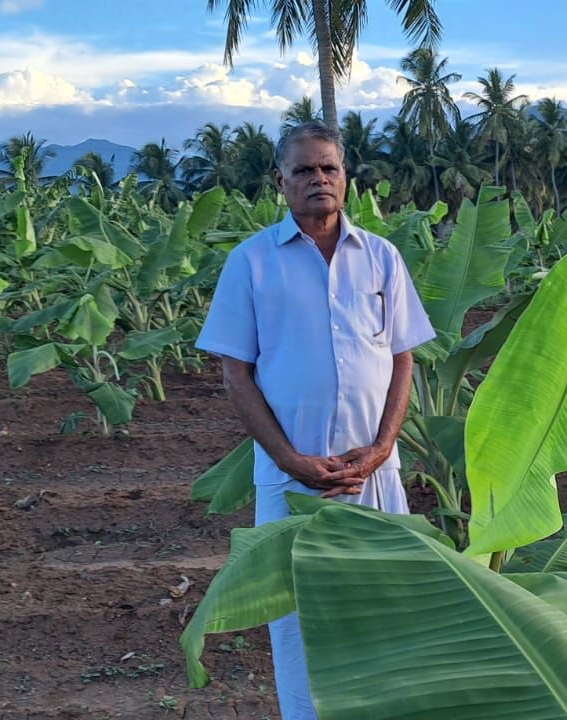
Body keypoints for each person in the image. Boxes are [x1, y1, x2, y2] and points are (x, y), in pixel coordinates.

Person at [195, 121, 437, 720]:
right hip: (291, 479)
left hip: (373, 473)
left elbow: (402, 358)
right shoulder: (250, 263)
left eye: (329, 168)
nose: (318, 179)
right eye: (304, 170)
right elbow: (236, 375)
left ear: (345, 178)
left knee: (387, 599)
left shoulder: (381, 257)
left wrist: (382, 447)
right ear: (281, 182)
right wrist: (289, 460)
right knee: (297, 615)